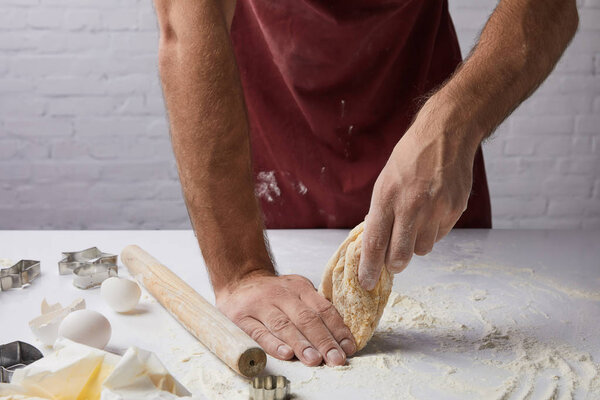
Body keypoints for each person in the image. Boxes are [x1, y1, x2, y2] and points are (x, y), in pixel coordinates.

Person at [153, 0, 578, 367]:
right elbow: (185, 26)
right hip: (273, 129)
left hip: (428, 130)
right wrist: (241, 271)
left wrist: (456, 121)